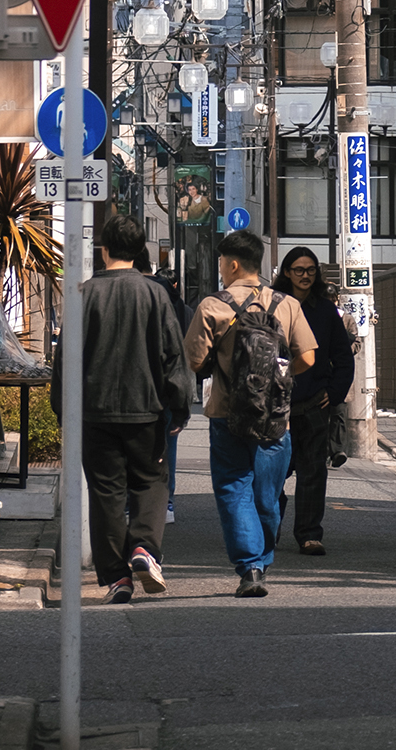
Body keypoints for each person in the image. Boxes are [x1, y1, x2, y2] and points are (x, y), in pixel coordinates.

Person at [53, 209, 189, 606]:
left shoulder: (84, 294)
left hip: (94, 413)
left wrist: (64, 411)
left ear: (104, 250)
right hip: (144, 410)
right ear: (140, 250)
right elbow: (172, 355)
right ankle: (144, 548)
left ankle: (117, 578)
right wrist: (178, 405)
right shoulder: (155, 294)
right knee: (150, 480)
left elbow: (66, 360)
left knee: (106, 492)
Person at [184, 226, 317, 597]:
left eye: (223, 262)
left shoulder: (213, 305)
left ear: (233, 263)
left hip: (227, 413)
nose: (222, 269)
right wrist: (279, 373)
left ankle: (251, 567)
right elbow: (308, 356)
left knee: (233, 488)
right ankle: (264, 557)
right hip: (275, 417)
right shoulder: (286, 305)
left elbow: (194, 362)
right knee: (267, 494)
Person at [276, 248, 359, 556]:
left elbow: (343, 357)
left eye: (310, 270)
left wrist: (333, 392)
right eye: (298, 270)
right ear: (287, 272)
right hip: (274, 406)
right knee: (274, 472)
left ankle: (309, 534)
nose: (305, 275)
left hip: (313, 403)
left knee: (313, 472)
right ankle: (269, 526)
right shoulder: (273, 305)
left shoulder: (325, 310)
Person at [146, 240, 192, 526]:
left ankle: (133, 506)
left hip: (141, 390)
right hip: (170, 389)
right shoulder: (182, 309)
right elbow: (182, 356)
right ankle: (168, 503)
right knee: (168, 448)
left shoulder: (147, 301)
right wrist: (183, 404)